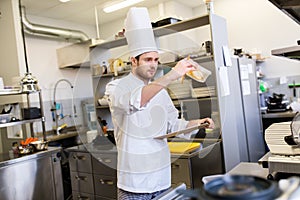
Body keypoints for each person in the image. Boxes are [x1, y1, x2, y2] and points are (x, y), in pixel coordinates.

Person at [104, 7, 214, 200]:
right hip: (133, 183)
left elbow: (173, 124)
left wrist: (197, 123)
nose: (153, 64)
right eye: (147, 59)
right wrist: (173, 75)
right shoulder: (116, 87)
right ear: (134, 61)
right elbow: (136, 100)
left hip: (161, 178)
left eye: (156, 59)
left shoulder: (160, 91)